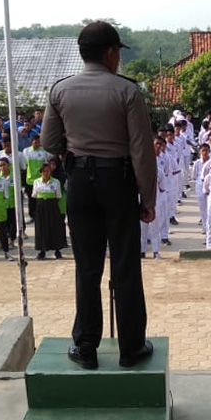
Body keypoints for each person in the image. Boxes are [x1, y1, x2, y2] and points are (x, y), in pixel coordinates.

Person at [41, 21, 157, 370]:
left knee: (86, 267)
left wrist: (73, 153)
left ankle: (86, 346)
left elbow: (49, 142)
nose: (118, 59)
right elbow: (141, 151)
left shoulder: (61, 90)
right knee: (125, 266)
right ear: (110, 53)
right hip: (118, 182)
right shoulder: (127, 92)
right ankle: (131, 347)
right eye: (118, 52)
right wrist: (147, 199)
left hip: (79, 183)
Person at [32, 163, 67, 260]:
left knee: (54, 227)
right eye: (44, 171)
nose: (46, 173)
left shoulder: (56, 182)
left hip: (52, 207)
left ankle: (57, 250)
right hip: (41, 207)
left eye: (47, 171)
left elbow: (58, 196)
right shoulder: (36, 182)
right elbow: (34, 195)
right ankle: (42, 250)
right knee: (41, 228)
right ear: (41, 172)